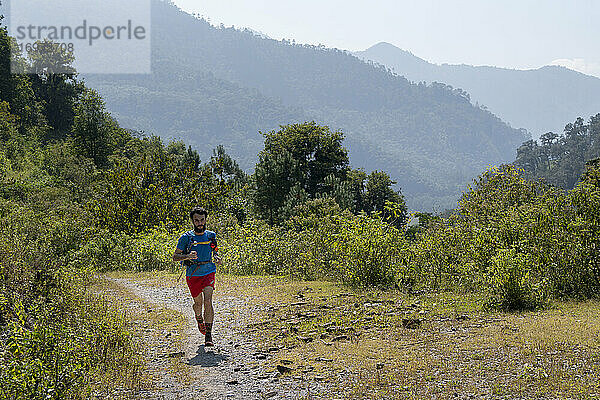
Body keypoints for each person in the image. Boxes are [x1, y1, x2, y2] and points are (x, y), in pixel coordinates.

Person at [173, 206, 223, 347]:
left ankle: (208, 335)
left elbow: (215, 250)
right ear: (192, 221)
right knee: (198, 304)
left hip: (208, 271)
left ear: (206, 220)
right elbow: (175, 256)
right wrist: (187, 256)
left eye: (202, 220)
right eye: (197, 220)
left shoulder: (211, 235)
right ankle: (198, 317)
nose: (200, 223)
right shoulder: (186, 238)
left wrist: (217, 257)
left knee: (208, 301)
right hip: (193, 273)